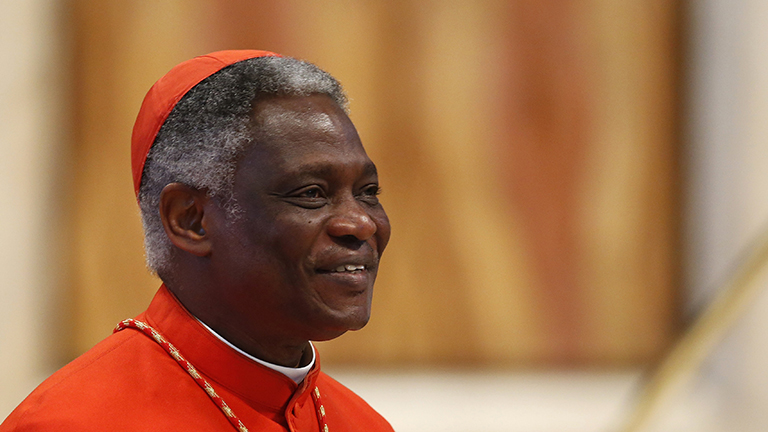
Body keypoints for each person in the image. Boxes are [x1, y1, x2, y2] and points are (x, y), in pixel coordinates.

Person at [1, 50, 393, 432]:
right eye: (310, 193)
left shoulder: (361, 423)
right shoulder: (69, 424)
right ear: (190, 220)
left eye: (368, 191)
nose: (360, 223)